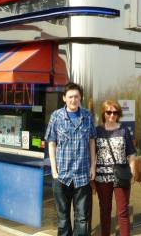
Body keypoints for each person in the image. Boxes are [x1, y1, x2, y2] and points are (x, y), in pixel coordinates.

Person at [45, 82, 97, 236]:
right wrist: (54, 170)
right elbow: (51, 143)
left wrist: (93, 167)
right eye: (70, 97)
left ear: (80, 97)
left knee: (81, 218)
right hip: (62, 176)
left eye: (76, 97)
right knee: (62, 219)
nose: (73, 100)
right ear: (64, 98)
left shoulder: (87, 116)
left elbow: (92, 141)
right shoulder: (56, 116)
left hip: (82, 176)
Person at [95, 100, 136, 236]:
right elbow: (93, 154)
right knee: (105, 211)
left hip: (121, 176)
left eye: (115, 112)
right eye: (109, 112)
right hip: (102, 177)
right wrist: (92, 171)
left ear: (118, 114)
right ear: (104, 114)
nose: (112, 115)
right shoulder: (97, 131)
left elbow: (131, 153)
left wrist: (132, 171)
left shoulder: (123, 130)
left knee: (123, 212)